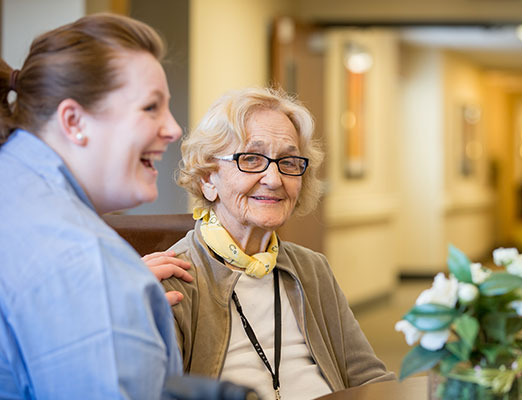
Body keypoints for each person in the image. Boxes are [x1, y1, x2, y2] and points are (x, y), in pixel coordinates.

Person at [162, 87, 395, 400]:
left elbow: (369, 379)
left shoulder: (312, 268)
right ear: (208, 178)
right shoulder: (174, 277)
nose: (274, 179)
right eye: (252, 159)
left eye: (288, 162)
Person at [0, 13, 187, 399]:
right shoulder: (92, 267)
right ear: (74, 121)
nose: (174, 128)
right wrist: (109, 293)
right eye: (151, 107)